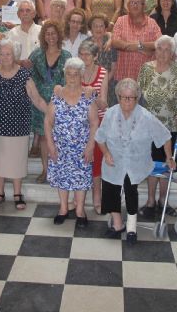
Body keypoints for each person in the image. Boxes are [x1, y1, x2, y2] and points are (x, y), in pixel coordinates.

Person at [96, 78, 173, 244]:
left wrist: (169, 157)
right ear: (118, 97)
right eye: (123, 97)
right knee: (110, 188)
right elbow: (100, 138)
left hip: (137, 161)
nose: (127, 101)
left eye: (131, 98)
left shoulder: (146, 116)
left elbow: (165, 136)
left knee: (130, 188)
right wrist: (106, 153)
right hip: (113, 160)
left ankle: (131, 227)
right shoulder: (110, 113)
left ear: (137, 98)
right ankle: (117, 224)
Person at [0, 40, 48, 210]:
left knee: (17, 161)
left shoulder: (24, 74)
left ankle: (17, 193)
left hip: (19, 126)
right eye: (2, 54)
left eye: (9, 54)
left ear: (15, 56)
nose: (5, 57)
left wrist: (51, 112)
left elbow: (36, 98)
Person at [137, 36, 177, 219]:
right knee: (152, 165)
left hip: (173, 128)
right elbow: (138, 95)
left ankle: (163, 200)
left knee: (167, 165)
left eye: (167, 50)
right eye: (159, 48)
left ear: (172, 53)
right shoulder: (146, 69)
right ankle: (151, 201)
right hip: (149, 128)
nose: (162, 53)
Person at [45, 58, 99, 227]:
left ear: (81, 75)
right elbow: (47, 122)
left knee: (81, 179)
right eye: (69, 74)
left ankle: (80, 211)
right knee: (62, 178)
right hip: (61, 148)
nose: (72, 77)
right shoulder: (57, 94)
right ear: (64, 75)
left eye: (75, 74)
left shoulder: (88, 95)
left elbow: (94, 122)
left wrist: (91, 146)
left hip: (81, 148)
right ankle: (62, 209)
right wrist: (51, 145)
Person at [27, 20, 72, 183]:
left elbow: (70, 79)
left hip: (60, 103)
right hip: (40, 103)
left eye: (53, 33)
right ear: (43, 36)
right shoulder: (36, 54)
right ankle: (46, 170)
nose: (50, 36)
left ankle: (59, 169)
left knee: (59, 137)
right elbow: (27, 73)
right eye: (47, 33)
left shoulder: (67, 56)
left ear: (59, 35)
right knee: (45, 138)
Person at [78, 41, 109, 214]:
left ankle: (97, 198)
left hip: (98, 122)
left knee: (96, 161)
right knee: (78, 161)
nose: (84, 58)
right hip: (78, 122)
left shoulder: (102, 72)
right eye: (81, 54)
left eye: (87, 55)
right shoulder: (75, 70)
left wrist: (93, 94)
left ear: (96, 56)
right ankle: (77, 198)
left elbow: (104, 104)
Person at [111, 0, 162, 96]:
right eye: (132, 2)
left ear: (144, 6)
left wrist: (131, 45)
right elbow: (115, 42)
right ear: (128, 5)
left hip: (146, 78)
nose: (135, 5)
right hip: (123, 75)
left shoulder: (152, 23)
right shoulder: (121, 21)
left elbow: (159, 43)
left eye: (138, 3)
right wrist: (142, 48)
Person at [6, 0, 41, 69]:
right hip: (17, 72)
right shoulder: (12, 33)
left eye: (28, 10)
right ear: (18, 15)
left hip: (39, 72)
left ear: (34, 14)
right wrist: (20, 62)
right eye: (21, 11)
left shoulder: (42, 31)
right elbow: (6, 56)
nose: (25, 13)